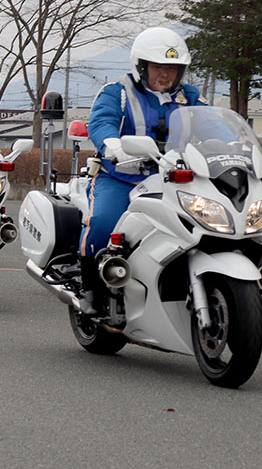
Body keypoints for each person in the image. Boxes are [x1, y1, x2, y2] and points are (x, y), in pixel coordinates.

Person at [78, 26, 208, 313]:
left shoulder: (193, 99)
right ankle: (91, 289)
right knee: (103, 221)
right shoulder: (118, 93)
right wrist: (113, 145)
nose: (166, 74)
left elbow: (214, 129)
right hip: (121, 177)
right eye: (159, 66)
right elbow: (101, 122)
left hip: (176, 183)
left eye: (173, 68)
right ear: (141, 66)